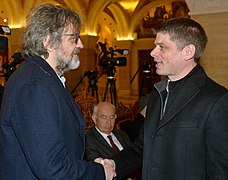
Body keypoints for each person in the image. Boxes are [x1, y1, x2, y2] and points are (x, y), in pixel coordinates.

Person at [97, 18, 228, 180]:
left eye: (162, 47)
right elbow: (143, 146)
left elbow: (220, 172)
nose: (153, 53)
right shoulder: (157, 93)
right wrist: (114, 165)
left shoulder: (217, 100)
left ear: (188, 51)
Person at [0, 4, 115, 180]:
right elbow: (53, 169)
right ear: (48, 41)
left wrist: (89, 165)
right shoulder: (34, 85)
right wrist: (99, 172)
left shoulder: (44, 77)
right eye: (74, 38)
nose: (81, 45)